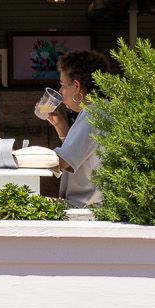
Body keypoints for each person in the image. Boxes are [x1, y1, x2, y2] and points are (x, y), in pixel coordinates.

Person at [36, 49, 106, 209]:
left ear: (76, 86)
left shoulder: (93, 114)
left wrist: (19, 158)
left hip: (87, 208)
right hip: (95, 204)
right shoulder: (102, 109)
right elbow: (79, 152)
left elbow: (62, 161)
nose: (60, 91)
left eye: (62, 85)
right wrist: (60, 124)